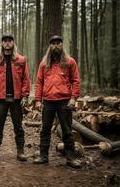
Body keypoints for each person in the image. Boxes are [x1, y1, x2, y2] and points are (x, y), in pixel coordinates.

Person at [33, 35, 81, 168]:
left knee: (67, 129)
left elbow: (76, 81)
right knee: (45, 129)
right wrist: (37, 100)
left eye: (58, 43)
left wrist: (73, 98)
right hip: (48, 101)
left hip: (64, 101)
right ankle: (43, 156)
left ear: (62, 45)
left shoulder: (70, 62)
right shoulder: (44, 64)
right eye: (53, 43)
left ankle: (71, 158)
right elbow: (39, 83)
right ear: (50, 46)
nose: (55, 46)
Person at [0, 33, 30, 161]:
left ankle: (21, 151)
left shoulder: (21, 60)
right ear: (1, 43)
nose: (7, 43)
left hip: (16, 99)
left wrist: (25, 96)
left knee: (18, 126)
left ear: (13, 43)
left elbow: (26, 79)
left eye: (9, 41)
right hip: (1, 99)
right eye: (4, 41)